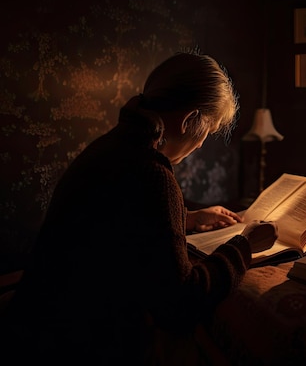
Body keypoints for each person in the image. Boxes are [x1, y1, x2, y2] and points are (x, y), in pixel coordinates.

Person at [2, 52, 278, 365]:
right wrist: (244, 245)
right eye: (207, 131)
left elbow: (115, 221)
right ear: (189, 120)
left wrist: (186, 219)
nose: (201, 144)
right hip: (72, 345)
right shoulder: (152, 173)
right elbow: (180, 305)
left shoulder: (112, 146)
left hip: (32, 324)